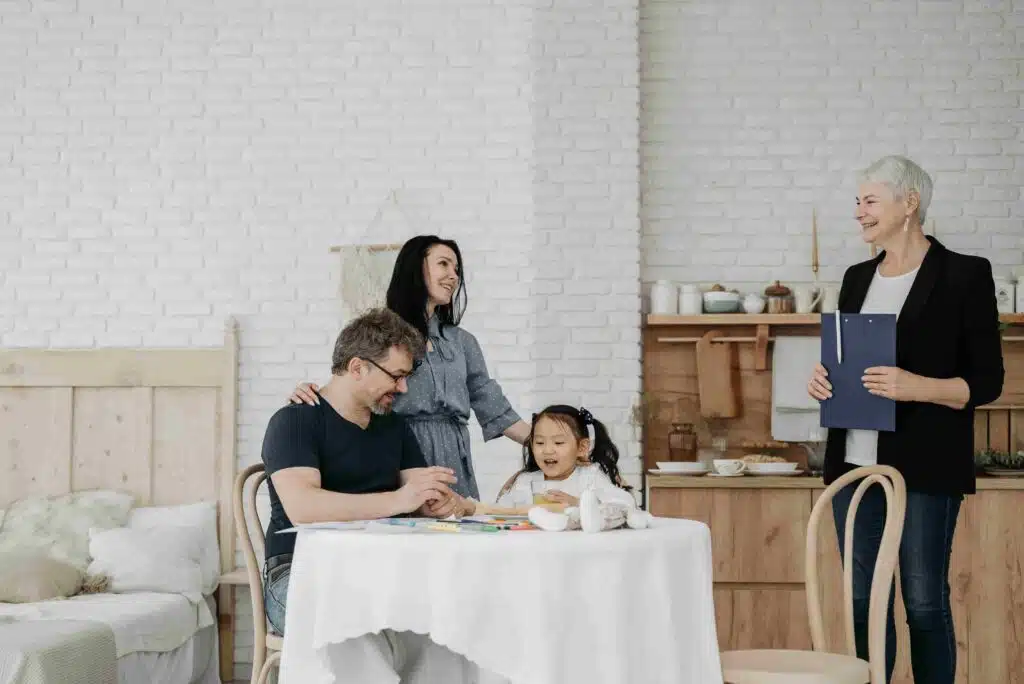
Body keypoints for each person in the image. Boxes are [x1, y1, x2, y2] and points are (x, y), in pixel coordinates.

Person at [806, 156, 1004, 684]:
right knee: (862, 604)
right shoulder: (855, 278)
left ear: (909, 203)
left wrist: (917, 386)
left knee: (922, 602)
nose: (859, 212)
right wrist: (823, 381)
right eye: (857, 202)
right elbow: (846, 362)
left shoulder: (965, 274)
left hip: (925, 468)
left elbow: (987, 382)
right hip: (853, 467)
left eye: (869, 201)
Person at [261, 308, 460, 636]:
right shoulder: (295, 421)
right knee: (364, 625)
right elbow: (304, 509)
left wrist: (435, 500)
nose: (404, 388)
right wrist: (398, 500)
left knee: (452, 616)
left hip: (378, 570)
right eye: (396, 376)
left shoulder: (393, 426)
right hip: (300, 575)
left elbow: (418, 496)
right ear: (357, 367)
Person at [289, 235, 531, 500]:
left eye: (457, 269)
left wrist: (549, 445)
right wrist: (308, 396)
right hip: (394, 450)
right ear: (416, 268)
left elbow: (495, 407)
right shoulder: (382, 334)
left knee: (454, 531)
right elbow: (350, 382)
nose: (454, 276)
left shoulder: (463, 343)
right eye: (444, 264)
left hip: (452, 455)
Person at [465, 405, 651, 532]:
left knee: (617, 507)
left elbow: (619, 499)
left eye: (558, 442)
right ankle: (556, 521)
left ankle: (583, 516)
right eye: (539, 442)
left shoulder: (590, 475)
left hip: (582, 546)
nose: (547, 450)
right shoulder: (526, 481)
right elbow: (502, 509)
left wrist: (576, 501)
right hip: (540, 549)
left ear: (582, 448)